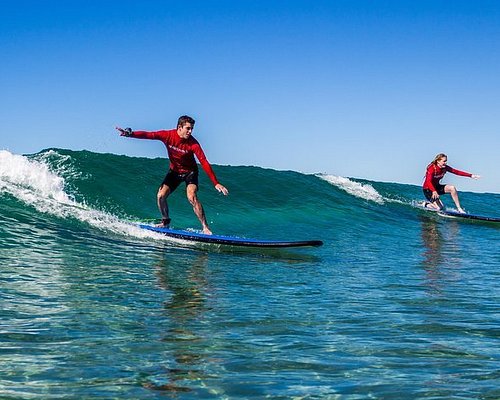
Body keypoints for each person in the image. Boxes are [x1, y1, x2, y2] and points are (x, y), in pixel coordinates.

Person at [117, 115, 228, 234]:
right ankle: (165, 222)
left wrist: (215, 183)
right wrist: (131, 134)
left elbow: (203, 161)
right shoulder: (168, 135)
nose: (190, 131)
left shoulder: (193, 143)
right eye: (188, 128)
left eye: (191, 129)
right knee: (160, 196)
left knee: (192, 196)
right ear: (179, 127)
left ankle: (205, 227)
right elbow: (149, 135)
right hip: (174, 172)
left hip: (190, 172)